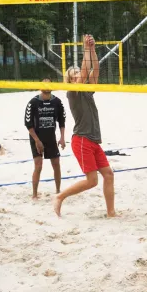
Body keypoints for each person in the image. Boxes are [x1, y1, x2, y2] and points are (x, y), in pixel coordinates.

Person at [53, 34, 115, 218]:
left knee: (109, 175)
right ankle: (60, 197)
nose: (79, 75)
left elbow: (94, 69)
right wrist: (85, 49)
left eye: (79, 73)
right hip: (81, 140)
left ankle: (111, 213)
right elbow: (86, 68)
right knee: (92, 181)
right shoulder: (72, 93)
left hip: (93, 141)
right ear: (70, 81)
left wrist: (93, 49)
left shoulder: (87, 92)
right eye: (75, 75)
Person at [25, 78, 66, 199]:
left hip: (50, 137)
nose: (46, 85)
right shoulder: (33, 102)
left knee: (56, 164)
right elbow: (28, 124)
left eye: (49, 83)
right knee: (38, 165)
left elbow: (62, 121)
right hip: (36, 137)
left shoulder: (57, 102)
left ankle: (58, 191)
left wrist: (62, 138)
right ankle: (34, 194)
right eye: (44, 83)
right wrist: (37, 141)